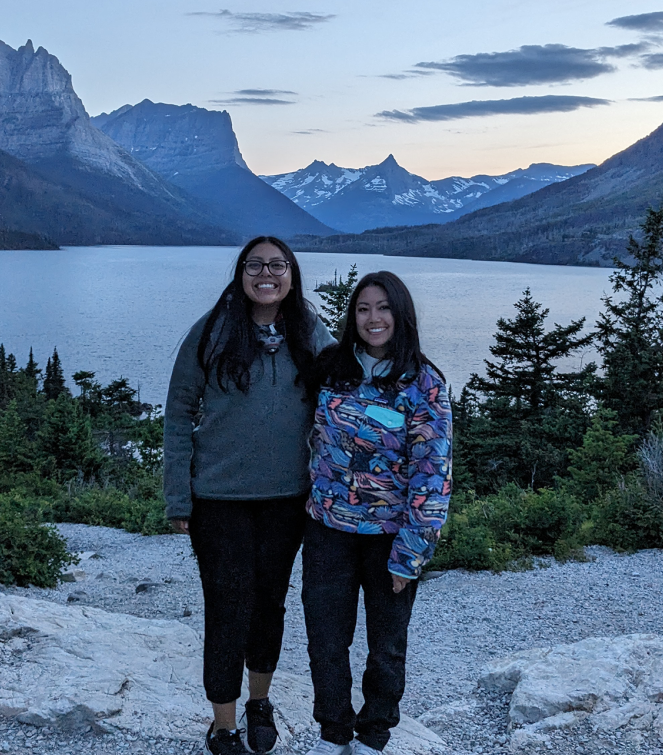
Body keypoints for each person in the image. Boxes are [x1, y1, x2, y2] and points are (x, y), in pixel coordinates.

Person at [163, 236, 335, 755]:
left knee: (270, 605)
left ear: (291, 273)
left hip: (289, 499)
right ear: (240, 273)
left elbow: (347, 390)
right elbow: (177, 414)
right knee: (226, 606)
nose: (267, 273)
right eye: (255, 265)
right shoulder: (211, 331)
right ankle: (223, 726)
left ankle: (259, 704)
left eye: (277, 265)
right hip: (219, 499)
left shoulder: (309, 330)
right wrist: (179, 496)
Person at [302, 271, 452, 755]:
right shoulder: (331, 369)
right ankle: (333, 733)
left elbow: (433, 473)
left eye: (383, 307)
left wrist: (411, 551)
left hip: (390, 536)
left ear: (400, 314)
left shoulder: (423, 383)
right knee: (326, 640)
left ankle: (373, 735)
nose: (373, 318)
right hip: (327, 529)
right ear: (353, 316)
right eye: (363, 308)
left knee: (386, 646)